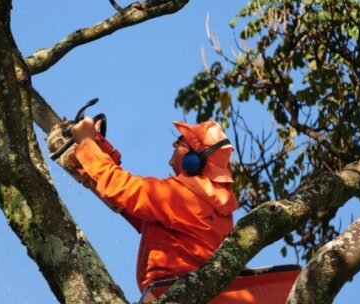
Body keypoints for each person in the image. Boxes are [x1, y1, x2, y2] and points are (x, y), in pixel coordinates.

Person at [70, 118, 239, 302]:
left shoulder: (182, 194)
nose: (174, 145)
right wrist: (99, 150)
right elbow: (139, 209)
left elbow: (123, 189)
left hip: (171, 290)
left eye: (180, 142)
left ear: (194, 159)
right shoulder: (214, 205)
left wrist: (86, 143)